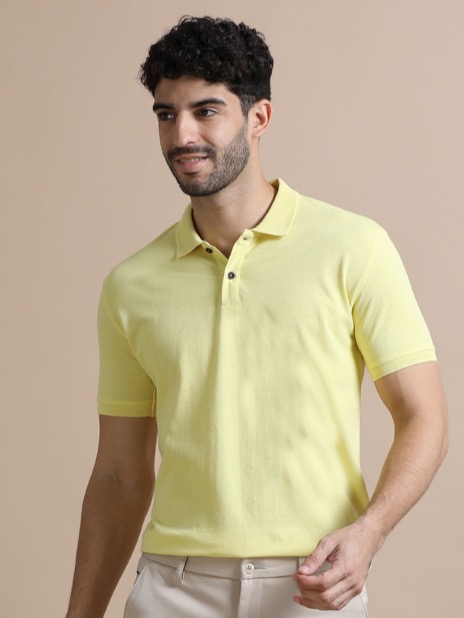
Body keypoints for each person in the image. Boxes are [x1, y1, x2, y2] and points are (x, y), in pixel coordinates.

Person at [66, 16, 448, 618]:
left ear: (259, 117)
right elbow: (119, 476)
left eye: (206, 111)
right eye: (166, 114)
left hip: (313, 584)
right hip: (172, 589)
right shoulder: (130, 286)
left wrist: (369, 532)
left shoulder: (354, 247)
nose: (181, 134)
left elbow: (423, 415)